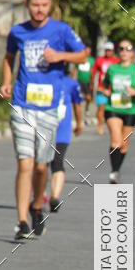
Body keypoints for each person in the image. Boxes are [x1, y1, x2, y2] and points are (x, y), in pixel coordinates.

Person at [0, 0, 87, 240]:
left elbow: (83, 55)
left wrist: (60, 56)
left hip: (49, 109)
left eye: (44, 5)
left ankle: (37, 206)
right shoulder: (18, 32)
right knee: (24, 164)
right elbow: (8, 58)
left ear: (50, 5)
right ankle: (22, 222)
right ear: (27, 4)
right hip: (23, 106)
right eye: (35, 5)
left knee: (41, 167)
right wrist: (6, 81)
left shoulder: (61, 30)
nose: (39, 10)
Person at [100, 40, 135, 183]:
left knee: (123, 146)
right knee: (116, 141)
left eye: (128, 49)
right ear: (118, 51)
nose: (124, 51)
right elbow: (104, 86)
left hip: (130, 109)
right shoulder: (112, 69)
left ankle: (116, 169)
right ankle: (114, 172)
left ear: (132, 53)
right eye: (121, 48)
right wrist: (105, 92)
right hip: (113, 108)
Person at [49, 65, 83, 212]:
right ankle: (42, 195)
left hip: (62, 130)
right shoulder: (46, 81)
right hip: (45, 128)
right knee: (44, 164)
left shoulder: (72, 83)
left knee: (57, 162)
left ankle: (55, 197)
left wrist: (79, 123)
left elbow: (77, 104)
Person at [90, 41, 118, 136]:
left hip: (113, 89)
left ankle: (114, 127)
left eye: (110, 50)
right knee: (101, 108)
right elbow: (93, 72)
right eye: (106, 50)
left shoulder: (116, 61)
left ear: (113, 51)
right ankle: (100, 126)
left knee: (113, 109)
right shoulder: (99, 60)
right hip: (101, 88)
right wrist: (91, 84)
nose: (108, 52)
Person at [76, 45, 94, 117]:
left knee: (88, 97)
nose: (87, 53)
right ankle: (78, 111)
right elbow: (75, 70)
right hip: (79, 81)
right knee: (78, 97)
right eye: (86, 51)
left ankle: (87, 108)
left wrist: (92, 83)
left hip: (87, 81)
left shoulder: (91, 60)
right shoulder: (79, 59)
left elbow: (93, 72)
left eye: (89, 51)